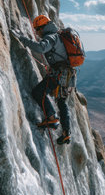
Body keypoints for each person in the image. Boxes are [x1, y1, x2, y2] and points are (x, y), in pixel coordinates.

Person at [14, 15, 76, 145]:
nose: (36, 32)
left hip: (59, 74)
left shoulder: (51, 37)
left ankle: (51, 117)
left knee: (38, 92)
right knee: (61, 102)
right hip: (68, 74)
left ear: (42, 27)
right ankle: (66, 133)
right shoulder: (57, 35)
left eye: (37, 29)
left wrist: (22, 38)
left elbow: (41, 48)